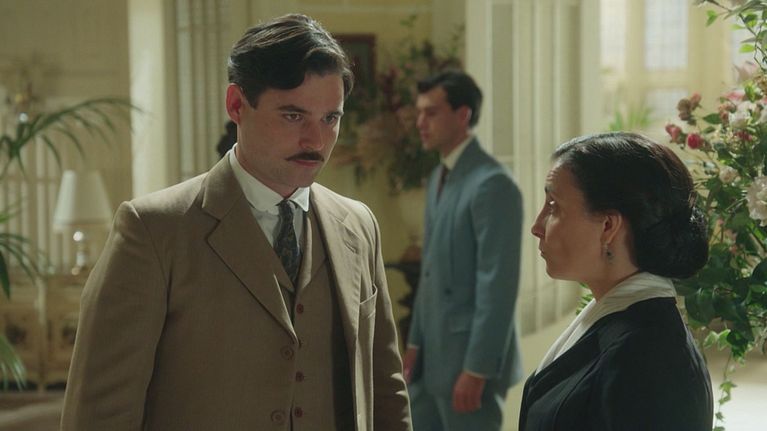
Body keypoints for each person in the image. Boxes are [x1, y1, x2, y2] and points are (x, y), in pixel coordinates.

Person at [61, 14, 411, 431]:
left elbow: (386, 393)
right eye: (293, 116)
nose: (316, 141)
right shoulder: (153, 231)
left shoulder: (358, 226)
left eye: (330, 119)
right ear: (236, 105)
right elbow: (99, 415)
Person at [521, 132, 713, 430]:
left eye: (554, 206)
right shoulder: (617, 316)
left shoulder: (648, 360)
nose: (536, 226)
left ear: (608, 226)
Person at [403, 69, 524, 430]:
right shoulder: (438, 178)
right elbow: (429, 271)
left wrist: (477, 369)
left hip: (468, 365)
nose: (420, 123)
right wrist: (414, 344)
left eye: (431, 112)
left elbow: (498, 284)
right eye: (419, 113)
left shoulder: (493, 183)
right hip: (429, 359)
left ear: (463, 115)